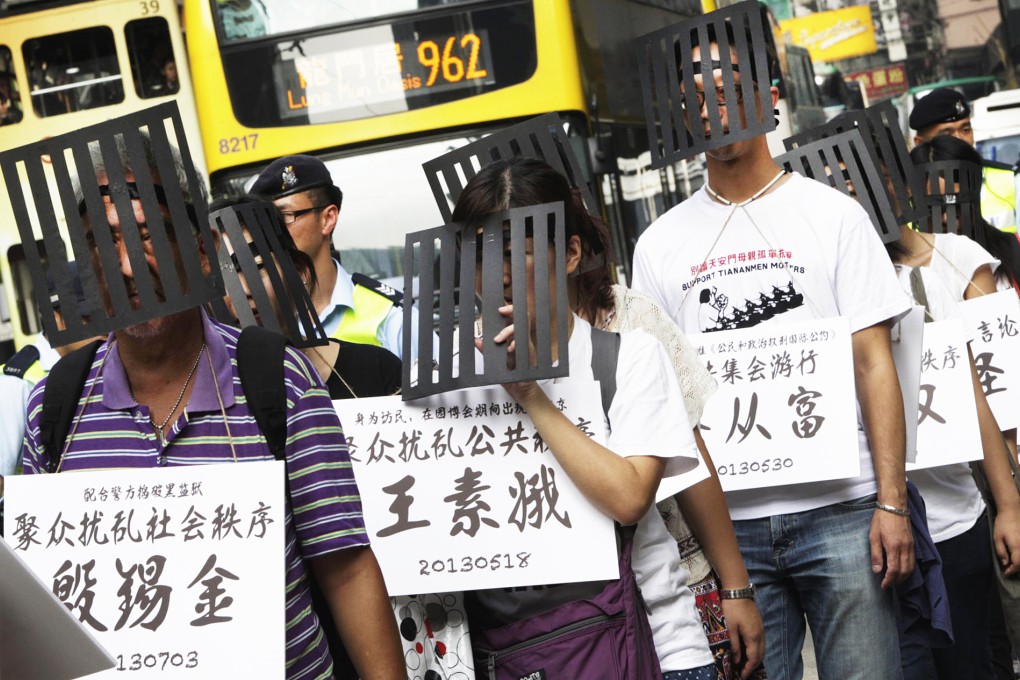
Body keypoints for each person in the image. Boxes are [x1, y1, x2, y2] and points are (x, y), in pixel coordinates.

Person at [19, 135, 405, 679]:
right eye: (104, 243)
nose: (128, 266)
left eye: (147, 235)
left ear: (200, 249)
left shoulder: (279, 381)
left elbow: (345, 568)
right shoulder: (53, 408)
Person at [632, 21, 914, 679]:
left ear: (766, 94)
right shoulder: (659, 244)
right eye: (695, 95)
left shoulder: (834, 215)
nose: (712, 106)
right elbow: (664, 395)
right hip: (731, 528)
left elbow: (874, 361)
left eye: (727, 87)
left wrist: (891, 501)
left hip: (845, 509)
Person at [454, 157, 716, 678]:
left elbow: (629, 498)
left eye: (513, 252)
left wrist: (530, 396)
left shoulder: (630, 355)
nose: (496, 274)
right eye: (478, 252)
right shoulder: (446, 380)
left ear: (571, 253)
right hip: (521, 654)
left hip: (654, 643)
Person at [572, 193, 765, 679]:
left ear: (572, 248)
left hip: (676, 584)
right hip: (575, 615)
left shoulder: (630, 319)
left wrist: (735, 586)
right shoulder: (485, 354)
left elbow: (690, 456)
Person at [872, 141, 1020, 679]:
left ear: (895, 180)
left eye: (862, 172)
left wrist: (1008, 498)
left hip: (964, 502)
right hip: (877, 533)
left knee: (984, 653)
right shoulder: (841, 282)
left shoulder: (942, 265)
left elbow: (986, 387)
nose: (850, 188)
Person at [212, 195, 401, 399]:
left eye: (257, 267)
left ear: (298, 271)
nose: (243, 290)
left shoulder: (377, 371)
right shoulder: (206, 400)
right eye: (222, 278)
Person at [250, 154, 431, 363]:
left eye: (285, 217)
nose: (273, 231)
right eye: (264, 222)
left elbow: (442, 393)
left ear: (328, 218)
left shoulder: (392, 319)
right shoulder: (258, 321)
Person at [910, 87, 1018, 234]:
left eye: (965, 130)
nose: (960, 139)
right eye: (947, 134)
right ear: (920, 143)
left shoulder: (1011, 179)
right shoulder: (907, 198)